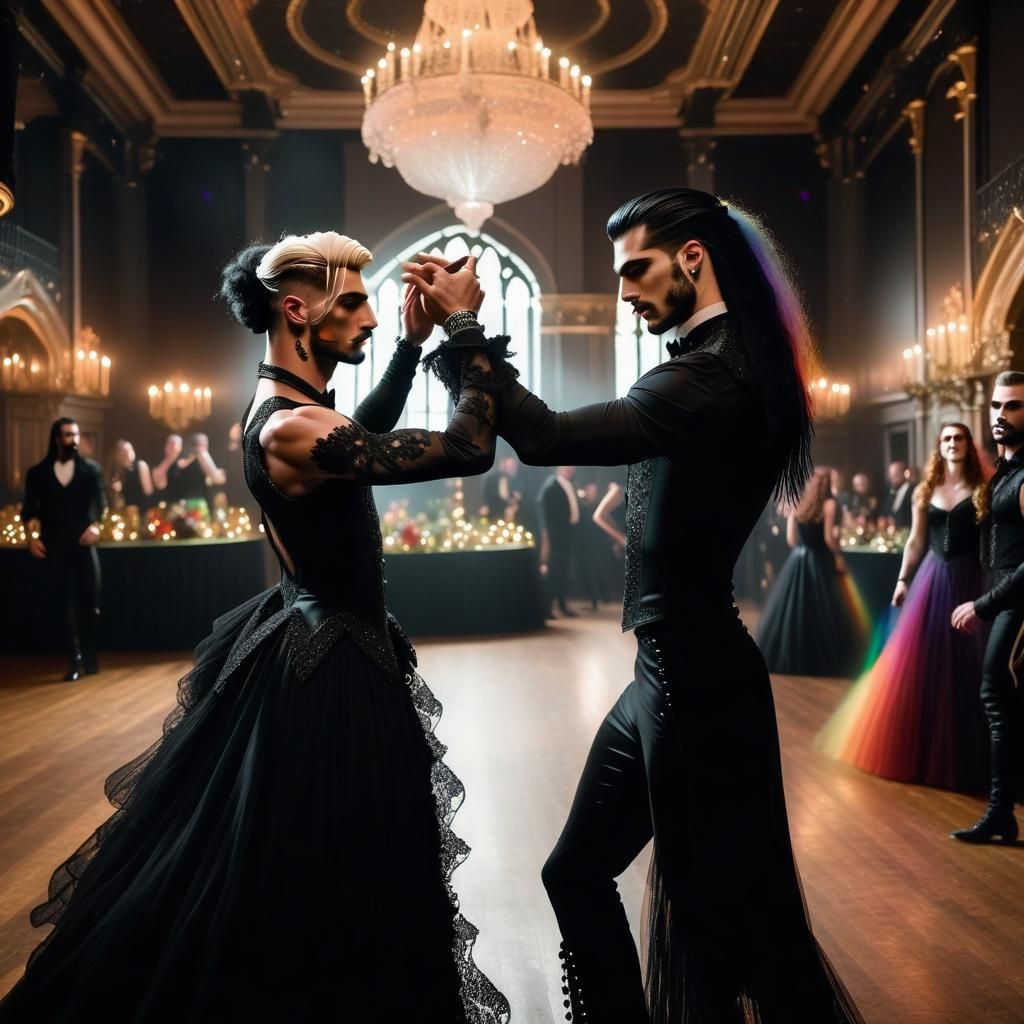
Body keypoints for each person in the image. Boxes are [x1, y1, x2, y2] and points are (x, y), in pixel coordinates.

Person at [0, 231, 510, 1022]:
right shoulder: (289, 430)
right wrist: (464, 330)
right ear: (298, 310)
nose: (371, 319)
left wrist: (410, 349)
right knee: (339, 883)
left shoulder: (291, 411)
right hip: (332, 671)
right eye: (353, 304)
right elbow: (470, 449)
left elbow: (360, 439)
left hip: (322, 641)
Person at [474, 188, 862, 1022]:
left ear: (693, 258)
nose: (623, 290)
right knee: (582, 875)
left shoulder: (717, 376)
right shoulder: (711, 360)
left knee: (709, 933)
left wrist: (468, 333)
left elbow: (542, 438)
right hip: (673, 668)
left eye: (635, 268)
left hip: (694, 676)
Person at [819, 424, 990, 792]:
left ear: (968, 446)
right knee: (923, 661)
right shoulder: (924, 490)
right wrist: (902, 580)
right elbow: (914, 540)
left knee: (967, 664)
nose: (952, 444)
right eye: (945, 439)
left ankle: (971, 756)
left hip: (970, 577)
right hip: (931, 576)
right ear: (938, 447)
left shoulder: (981, 490)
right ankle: (922, 751)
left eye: (958, 438)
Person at [950, 372, 1024, 843]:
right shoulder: (1006, 470)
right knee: (999, 700)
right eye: (996, 406)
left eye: (1013, 406)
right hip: (1003, 600)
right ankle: (1001, 812)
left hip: (1016, 603)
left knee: (997, 695)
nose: (1000, 415)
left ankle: (1001, 811)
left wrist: (983, 604)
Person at [21, 418, 107, 681]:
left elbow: (101, 504)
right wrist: (30, 539)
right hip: (55, 543)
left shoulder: (90, 469)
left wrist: (96, 527)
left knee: (90, 600)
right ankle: (75, 657)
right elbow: (28, 511)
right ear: (57, 438)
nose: (75, 440)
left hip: (83, 543)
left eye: (76, 434)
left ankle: (90, 654)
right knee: (64, 602)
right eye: (69, 435)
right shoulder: (37, 473)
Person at [756, 467, 863, 677]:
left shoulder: (799, 504)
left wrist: (801, 551)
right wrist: (839, 556)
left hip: (798, 560)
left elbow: (791, 540)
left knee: (796, 611)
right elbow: (828, 539)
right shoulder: (829, 504)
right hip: (819, 560)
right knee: (825, 611)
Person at [537, 465, 580, 618]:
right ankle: (547, 608)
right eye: (566, 465)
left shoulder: (568, 485)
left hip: (567, 535)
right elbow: (546, 519)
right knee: (554, 573)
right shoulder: (551, 487)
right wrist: (551, 539)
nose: (570, 468)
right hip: (557, 539)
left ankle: (562, 605)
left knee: (562, 572)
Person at [165, 432, 227, 514]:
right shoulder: (202, 456)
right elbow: (218, 479)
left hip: (179, 505)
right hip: (196, 506)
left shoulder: (181, 458)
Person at [108, 438, 153, 510]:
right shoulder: (118, 469)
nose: (128, 453)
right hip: (123, 511)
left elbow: (148, 493)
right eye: (124, 451)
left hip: (139, 510)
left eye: (130, 450)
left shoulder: (141, 465)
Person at [480, 454, 521, 522]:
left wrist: (513, 506)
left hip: (510, 513)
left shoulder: (516, 480)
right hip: (494, 511)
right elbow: (487, 494)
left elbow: (515, 496)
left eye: (512, 466)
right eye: (508, 466)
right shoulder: (492, 478)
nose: (510, 468)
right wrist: (485, 505)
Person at [881, 459, 913, 531]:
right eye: (891, 475)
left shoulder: (913, 492)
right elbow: (886, 513)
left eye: (895, 475)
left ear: (905, 474)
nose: (892, 479)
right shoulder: (891, 493)